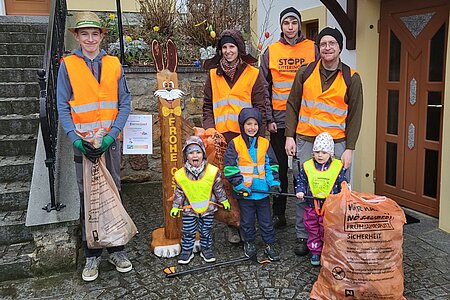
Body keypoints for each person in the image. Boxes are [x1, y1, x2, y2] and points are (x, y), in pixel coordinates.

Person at [56, 12, 132, 282]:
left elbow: (125, 103)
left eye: (95, 33)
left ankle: (117, 248)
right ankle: (92, 254)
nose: (90, 38)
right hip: (83, 144)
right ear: (76, 36)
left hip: (109, 144)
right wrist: (76, 140)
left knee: (114, 190)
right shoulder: (68, 65)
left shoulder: (113, 64)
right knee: (88, 196)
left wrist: (111, 136)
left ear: (101, 36)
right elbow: (62, 106)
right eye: (84, 33)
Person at [284, 27, 363, 257]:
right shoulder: (305, 72)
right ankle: (303, 236)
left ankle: (333, 236)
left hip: (337, 144)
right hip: (307, 140)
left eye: (332, 43)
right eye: (323, 43)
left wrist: (350, 149)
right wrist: (290, 136)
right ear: (318, 47)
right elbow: (292, 104)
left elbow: (355, 115)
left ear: (339, 47)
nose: (327, 47)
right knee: (304, 191)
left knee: (336, 193)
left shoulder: (352, 77)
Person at [203, 29, 266, 244]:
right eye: (224, 47)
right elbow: (207, 108)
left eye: (232, 47)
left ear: (239, 49)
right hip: (220, 140)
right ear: (220, 51)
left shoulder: (253, 73)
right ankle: (232, 224)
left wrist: (259, 138)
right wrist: (210, 131)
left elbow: (260, 107)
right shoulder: (212, 75)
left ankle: (248, 224)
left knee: (246, 178)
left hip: (245, 139)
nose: (228, 51)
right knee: (225, 184)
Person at [260, 6, 318, 229]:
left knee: (307, 168)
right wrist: (268, 118)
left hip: (307, 119)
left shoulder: (312, 48)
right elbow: (263, 86)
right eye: (286, 23)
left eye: (294, 22)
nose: (290, 27)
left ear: (299, 25)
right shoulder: (271, 51)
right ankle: (279, 213)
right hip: (280, 121)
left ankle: (311, 215)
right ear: (282, 26)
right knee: (280, 169)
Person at [224, 107, 281, 261]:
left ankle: (269, 243)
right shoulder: (234, 144)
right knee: (247, 221)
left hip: (262, 192)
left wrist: (274, 184)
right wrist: (240, 186)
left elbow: (272, 166)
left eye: (255, 124)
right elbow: (230, 168)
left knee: (266, 221)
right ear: (242, 125)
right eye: (248, 124)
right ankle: (249, 242)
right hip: (245, 192)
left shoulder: (265, 143)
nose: (252, 128)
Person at [170, 136, 230, 265]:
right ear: (186, 156)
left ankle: (206, 249)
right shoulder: (181, 174)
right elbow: (179, 193)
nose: (195, 155)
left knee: (206, 230)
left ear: (203, 154)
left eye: (198, 152)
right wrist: (176, 206)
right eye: (191, 153)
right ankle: (187, 251)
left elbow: (218, 188)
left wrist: (223, 200)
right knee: (188, 231)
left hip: (207, 209)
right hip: (188, 209)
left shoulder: (212, 171)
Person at [294, 132, 347, 266]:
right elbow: (301, 180)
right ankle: (315, 251)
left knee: (328, 229)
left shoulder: (337, 167)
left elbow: (342, 182)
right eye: (317, 152)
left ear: (330, 153)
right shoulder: (307, 166)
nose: (320, 155)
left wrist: (345, 193)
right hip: (312, 205)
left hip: (330, 208)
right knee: (312, 229)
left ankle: (328, 252)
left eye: (323, 152)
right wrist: (300, 190)